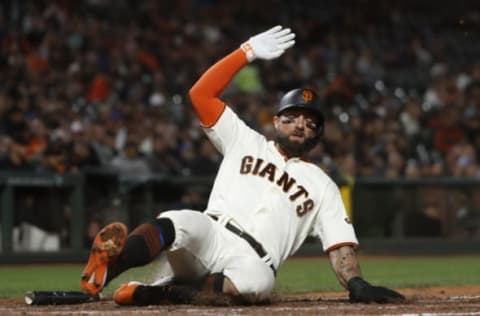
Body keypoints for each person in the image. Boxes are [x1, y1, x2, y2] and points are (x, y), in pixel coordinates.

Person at [80, 26, 405, 305]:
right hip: (213, 234)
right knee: (179, 221)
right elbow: (201, 95)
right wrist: (246, 51)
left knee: (258, 284)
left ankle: (158, 294)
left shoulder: (323, 185)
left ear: (317, 134)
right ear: (276, 122)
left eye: (310, 122)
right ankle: (110, 266)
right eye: (292, 117)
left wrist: (357, 284)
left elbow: (340, 246)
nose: (300, 125)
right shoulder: (244, 140)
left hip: (253, 260)